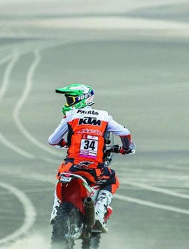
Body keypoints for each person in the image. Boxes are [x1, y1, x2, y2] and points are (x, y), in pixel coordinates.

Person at [47, 83, 135, 231]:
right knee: (112, 179)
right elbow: (124, 133)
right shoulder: (104, 117)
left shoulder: (70, 116)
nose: (67, 103)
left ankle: (56, 211)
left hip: (72, 166)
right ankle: (99, 211)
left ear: (81, 99)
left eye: (70, 100)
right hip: (95, 169)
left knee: (60, 176)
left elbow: (52, 141)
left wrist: (66, 144)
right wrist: (125, 148)